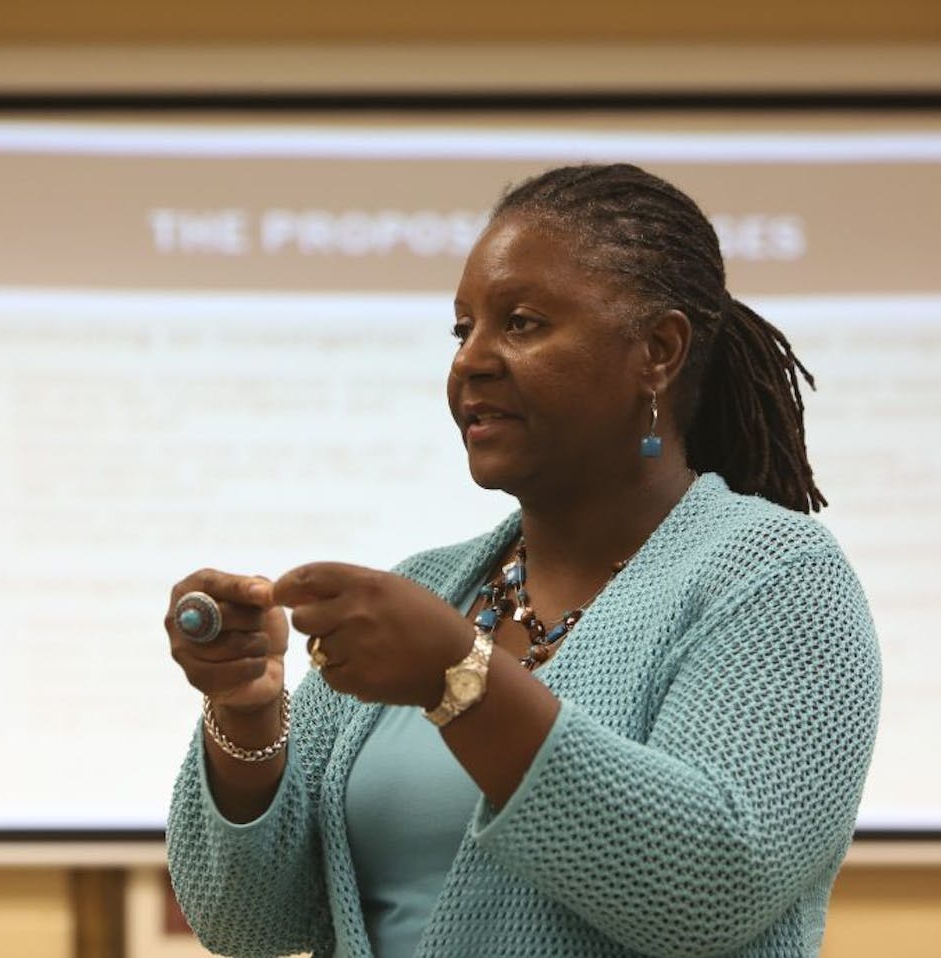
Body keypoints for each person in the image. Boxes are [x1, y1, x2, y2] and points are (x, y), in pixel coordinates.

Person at [164, 163, 881, 958]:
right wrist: (247, 711)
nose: (471, 359)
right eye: (461, 329)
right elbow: (252, 923)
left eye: (523, 323)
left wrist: (457, 677)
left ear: (659, 351)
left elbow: (709, 891)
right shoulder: (430, 586)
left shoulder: (774, 575)